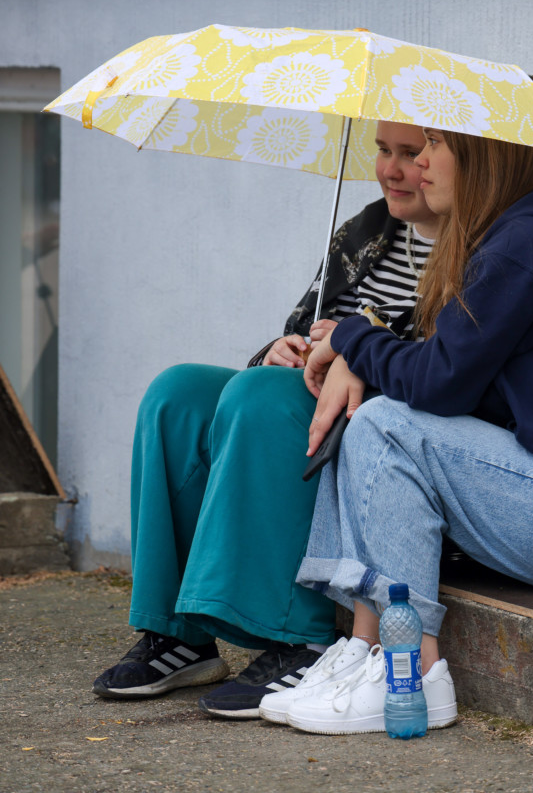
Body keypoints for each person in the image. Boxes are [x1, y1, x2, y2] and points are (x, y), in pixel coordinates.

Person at [256, 127, 533, 734]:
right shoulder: (523, 236)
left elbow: (441, 382)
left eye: (434, 146)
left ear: (485, 157)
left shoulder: (525, 244)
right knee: (372, 415)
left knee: (385, 423)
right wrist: (365, 356)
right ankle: (364, 650)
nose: (419, 163)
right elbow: (459, 386)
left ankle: (413, 673)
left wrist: (357, 338)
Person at [92, 121, 440, 719]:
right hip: (312, 387)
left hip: (381, 409)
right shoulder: (368, 229)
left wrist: (356, 346)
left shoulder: (475, 250)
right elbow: (301, 324)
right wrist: (281, 350)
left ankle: (299, 637)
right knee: (177, 394)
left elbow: (445, 365)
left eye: (411, 153)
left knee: (262, 397)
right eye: (384, 150)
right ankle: (179, 635)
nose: (392, 168)